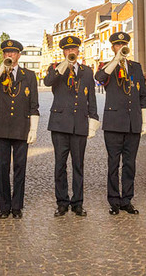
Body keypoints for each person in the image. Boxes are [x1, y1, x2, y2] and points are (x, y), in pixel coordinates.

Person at [0, 39, 39, 219]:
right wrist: (2, 68)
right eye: (6, 52)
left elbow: (34, 104)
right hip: (0, 128)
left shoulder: (28, 75)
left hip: (21, 127)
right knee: (2, 168)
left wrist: (33, 129)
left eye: (12, 53)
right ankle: (4, 207)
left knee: (19, 168)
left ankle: (17, 206)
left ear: (19, 55)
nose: (9, 55)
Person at [93, 31, 146, 215]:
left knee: (130, 164)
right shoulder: (108, 67)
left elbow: (142, 96)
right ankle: (114, 200)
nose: (121, 48)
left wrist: (145, 122)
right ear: (112, 48)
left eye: (123, 45)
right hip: (114, 124)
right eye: (117, 45)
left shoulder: (136, 67)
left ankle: (127, 200)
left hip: (133, 123)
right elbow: (99, 79)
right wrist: (116, 60)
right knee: (113, 164)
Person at [44, 35, 98, 217]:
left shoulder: (87, 71)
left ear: (78, 51)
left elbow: (91, 96)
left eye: (73, 49)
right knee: (60, 165)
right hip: (59, 125)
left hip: (79, 124)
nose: (70, 52)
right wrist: (63, 66)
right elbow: (48, 82)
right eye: (67, 50)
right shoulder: (55, 69)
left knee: (78, 165)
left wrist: (93, 119)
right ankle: (61, 202)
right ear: (63, 52)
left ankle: (78, 203)